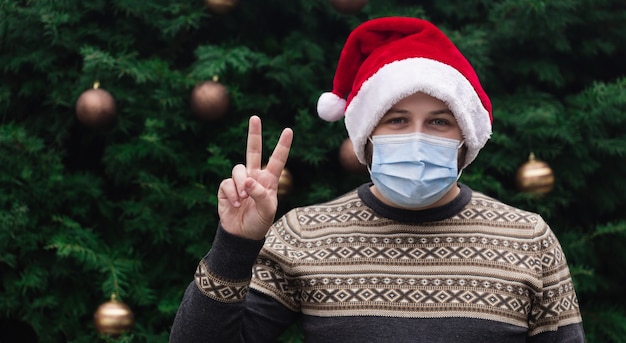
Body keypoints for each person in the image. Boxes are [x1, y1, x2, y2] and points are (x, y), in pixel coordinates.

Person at [170, 17, 585, 342]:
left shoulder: (528, 238)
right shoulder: (305, 235)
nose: (417, 138)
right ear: (366, 139)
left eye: (439, 122)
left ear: (466, 139)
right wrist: (234, 245)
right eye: (397, 120)